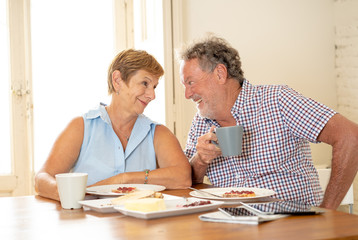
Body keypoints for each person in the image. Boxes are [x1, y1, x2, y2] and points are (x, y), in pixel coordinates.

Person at [178, 35, 358, 209]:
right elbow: (187, 182)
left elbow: (350, 136)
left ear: (220, 74)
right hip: (232, 226)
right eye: (184, 86)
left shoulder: (277, 100)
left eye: (191, 82)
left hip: (292, 225)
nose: (187, 94)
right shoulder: (200, 122)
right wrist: (200, 160)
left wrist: (327, 210)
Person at [35, 49, 191, 201]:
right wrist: (69, 194)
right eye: (145, 83)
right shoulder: (81, 127)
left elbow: (183, 177)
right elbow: (42, 178)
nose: (152, 95)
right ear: (117, 81)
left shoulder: (158, 133)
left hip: (140, 225)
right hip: (89, 223)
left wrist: (124, 179)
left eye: (154, 87)